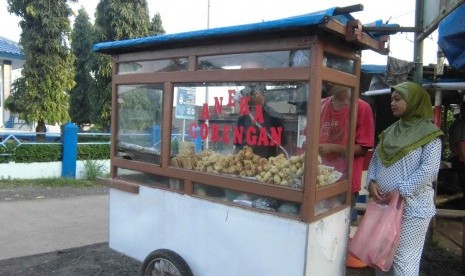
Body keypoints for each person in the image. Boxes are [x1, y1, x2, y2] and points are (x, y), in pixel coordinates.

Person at [366, 81, 443, 275]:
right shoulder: (391, 131)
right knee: (380, 257)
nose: (392, 103)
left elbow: (429, 170)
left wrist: (401, 190)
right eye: (392, 99)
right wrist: (372, 181)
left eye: (398, 99)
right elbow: (376, 160)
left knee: (402, 261)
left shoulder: (430, 135)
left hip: (412, 208)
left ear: (414, 101)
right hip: (385, 204)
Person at [318, 84, 375, 206]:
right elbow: (309, 137)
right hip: (319, 180)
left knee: (338, 222)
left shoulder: (361, 107)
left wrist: (334, 148)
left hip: (345, 182)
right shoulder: (320, 105)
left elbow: (363, 149)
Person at [235, 84, 286, 159]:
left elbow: (281, 149)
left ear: (264, 94)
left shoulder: (275, 117)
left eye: (255, 93)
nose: (251, 97)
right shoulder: (242, 118)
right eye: (247, 94)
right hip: (244, 166)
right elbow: (237, 147)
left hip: (267, 166)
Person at [448, 102, 465, 206]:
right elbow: (461, 145)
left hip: (457, 158)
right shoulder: (462, 125)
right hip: (461, 159)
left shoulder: (456, 124)